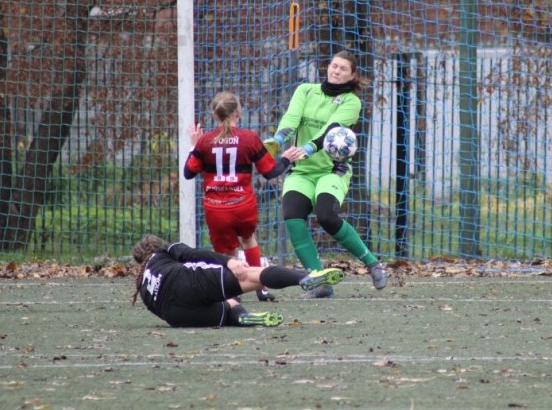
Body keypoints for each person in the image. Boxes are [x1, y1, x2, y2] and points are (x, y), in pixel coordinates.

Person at [264, 50, 387, 299]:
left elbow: (332, 129)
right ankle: (320, 281)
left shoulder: (351, 102)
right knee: (293, 217)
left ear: (352, 75)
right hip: (301, 171)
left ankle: (373, 263)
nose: (336, 71)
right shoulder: (306, 90)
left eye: (343, 68)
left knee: (327, 216)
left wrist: (308, 148)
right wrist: (278, 139)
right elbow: (292, 117)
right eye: (333, 65)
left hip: (331, 170)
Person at [184, 91, 302, 302]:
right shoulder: (249, 138)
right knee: (248, 240)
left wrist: (194, 145)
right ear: (238, 112)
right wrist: (285, 159)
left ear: (214, 115)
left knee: (229, 255)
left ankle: (232, 293)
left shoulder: (205, 142)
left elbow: (188, 173)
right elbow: (270, 172)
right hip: (243, 206)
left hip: (216, 209)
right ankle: (261, 288)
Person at [131, 234, 344, 328]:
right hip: (186, 283)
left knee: (230, 305)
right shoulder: (162, 252)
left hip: (176, 316)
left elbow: (161, 311)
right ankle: (305, 278)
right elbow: (192, 253)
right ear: (156, 246)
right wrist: (229, 262)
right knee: (254, 275)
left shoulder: (142, 289)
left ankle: (244, 318)